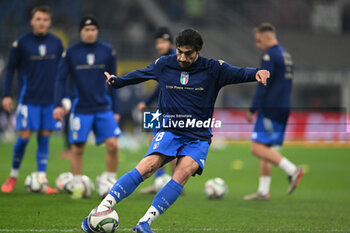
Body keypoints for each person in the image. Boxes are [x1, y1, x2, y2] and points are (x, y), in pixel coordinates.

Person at [81, 28, 270, 233]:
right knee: (148, 166)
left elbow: (239, 72)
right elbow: (141, 74)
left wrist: (257, 72)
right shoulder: (165, 64)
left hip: (198, 136)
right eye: (179, 51)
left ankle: (144, 223)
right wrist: (118, 82)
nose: (182, 57)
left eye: (188, 54)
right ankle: (100, 210)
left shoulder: (214, 68)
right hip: (171, 130)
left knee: (182, 174)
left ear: (198, 51)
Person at [53, 16, 121, 199]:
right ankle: (77, 184)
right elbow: (60, 79)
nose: (90, 33)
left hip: (103, 107)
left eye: (93, 30)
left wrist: (116, 110)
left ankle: (109, 180)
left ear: (97, 31)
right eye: (86, 30)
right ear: (81, 31)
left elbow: (113, 81)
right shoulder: (71, 52)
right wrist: (58, 104)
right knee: (77, 148)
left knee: (113, 145)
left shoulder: (108, 51)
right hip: (81, 108)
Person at [1, 6, 63, 194]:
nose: (42, 22)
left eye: (45, 19)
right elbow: (10, 69)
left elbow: (62, 72)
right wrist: (6, 94)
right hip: (28, 100)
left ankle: (41, 179)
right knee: (23, 138)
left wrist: (62, 99)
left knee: (44, 138)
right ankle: (12, 176)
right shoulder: (21, 43)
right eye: (38, 19)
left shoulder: (56, 43)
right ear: (32, 21)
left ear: (49, 22)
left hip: (50, 101)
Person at [244, 23, 303, 201]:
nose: (258, 45)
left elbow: (263, 83)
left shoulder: (269, 55)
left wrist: (252, 108)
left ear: (267, 37)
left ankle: (293, 170)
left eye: (259, 40)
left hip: (270, 107)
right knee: (266, 148)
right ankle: (263, 191)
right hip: (283, 106)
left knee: (256, 148)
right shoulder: (286, 55)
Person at [137, 27, 177, 195]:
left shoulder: (176, 59)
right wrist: (146, 102)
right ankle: (160, 181)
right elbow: (158, 88)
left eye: (163, 42)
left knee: (172, 145)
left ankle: (175, 183)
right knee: (155, 141)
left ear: (170, 42)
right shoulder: (162, 60)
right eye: (158, 42)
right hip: (160, 109)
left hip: (175, 108)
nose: (160, 45)